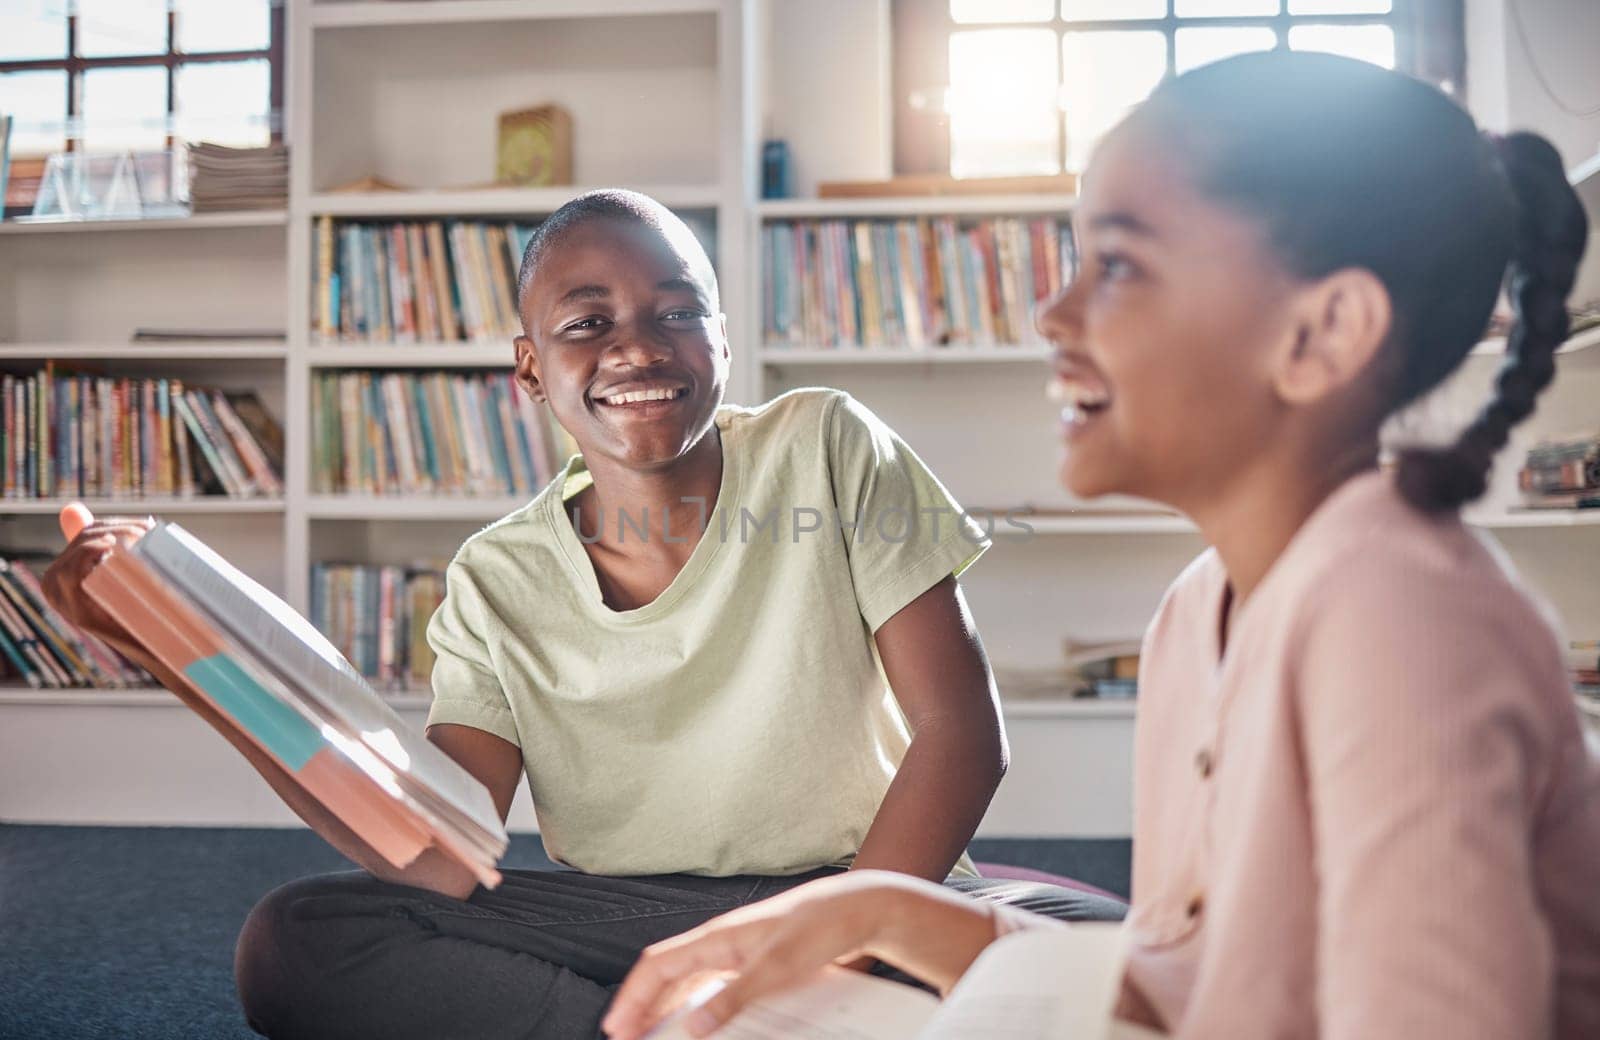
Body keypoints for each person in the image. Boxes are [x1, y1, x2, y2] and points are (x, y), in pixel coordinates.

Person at [602, 53, 1600, 1040]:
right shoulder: (1199, 607)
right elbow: (1191, 984)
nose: (1053, 312)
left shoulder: (1399, 619)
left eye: (1116, 265)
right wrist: (877, 909)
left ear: (1322, 332)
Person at [42, 191, 1123, 1040]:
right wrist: (194, 665)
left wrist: (837, 941)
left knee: (1107, 950)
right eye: (586, 322)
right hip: (635, 918)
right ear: (530, 367)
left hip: (865, 884)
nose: (638, 346)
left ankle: (789, 1009)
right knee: (297, 938)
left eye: (675, 311)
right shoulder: (498, 573)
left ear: (723, 341)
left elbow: (961, 737)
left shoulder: (826, 444)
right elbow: (436, 851)